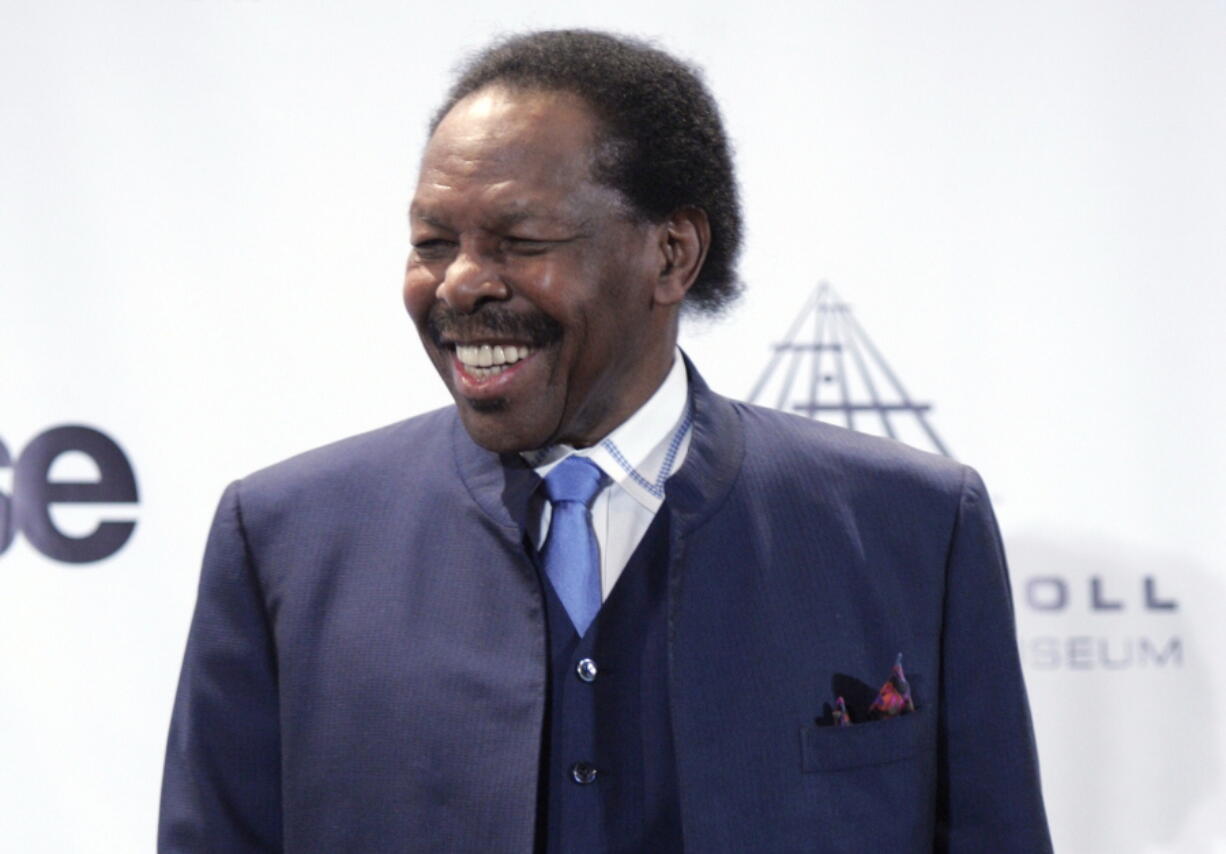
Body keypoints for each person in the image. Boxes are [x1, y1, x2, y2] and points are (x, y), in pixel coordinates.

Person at [159, 29, 1052, 853]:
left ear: (671, 255)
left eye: (520, 240)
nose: (460, 283)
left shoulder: (914, 526)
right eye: (433, 241)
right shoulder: (283, 538)